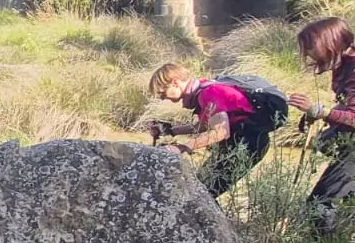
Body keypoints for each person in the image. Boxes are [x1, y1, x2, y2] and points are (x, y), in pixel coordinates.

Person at [147, 62, 273, 197]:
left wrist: (183, 147)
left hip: (248, 145)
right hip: (242, 142)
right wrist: (168, 130)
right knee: (199, 189)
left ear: (175, 83)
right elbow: (202, 126)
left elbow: (221, 132)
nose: (162, 98)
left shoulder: (209, 93)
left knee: (202, 193)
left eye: (162, 93)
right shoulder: (203, 89)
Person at [291, 16, 355, 230]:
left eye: (310, 46)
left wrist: (320, 111)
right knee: (342, 210)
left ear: (331, 41)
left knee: (321, 207)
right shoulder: (344, 64)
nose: (308, 52)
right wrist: (316, 114)